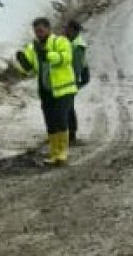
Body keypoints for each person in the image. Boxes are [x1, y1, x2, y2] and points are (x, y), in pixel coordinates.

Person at [14, 18, 77, 166]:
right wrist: (22, 63)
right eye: (36, 31)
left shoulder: (60, 42)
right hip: (46, 91)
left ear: (48, 29)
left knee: (60, 121)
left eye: (41, 30)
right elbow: (29, 70)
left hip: (63, 90)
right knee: (51, 123)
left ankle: (62, 154)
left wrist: (48, 55)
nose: (38, 34)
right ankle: (54, 153)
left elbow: (66, 58)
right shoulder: (32, 47)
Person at [63, 20, 90, 145]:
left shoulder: (77, 45)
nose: (65, 30)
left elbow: (77, 66)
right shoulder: (72, 42)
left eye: (67, 28)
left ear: (73, 30)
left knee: (67, 106)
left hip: (72, 79)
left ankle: (71, 134)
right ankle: (67, 133)